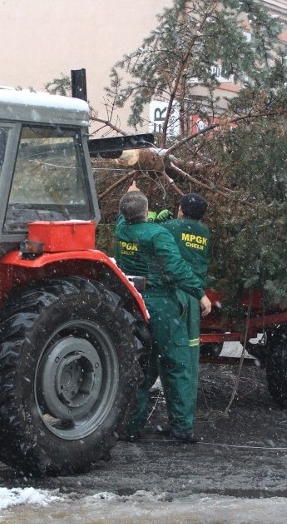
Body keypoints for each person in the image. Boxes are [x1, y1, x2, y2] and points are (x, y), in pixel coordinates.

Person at [115, 185, 212, 443]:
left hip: (133, 304)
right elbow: (176, 267)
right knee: (177, 364)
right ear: (147, 211)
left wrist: (131, 194)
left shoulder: (121, 230)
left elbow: (122, 216)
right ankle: (181, 427)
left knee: (140, 366)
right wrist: (199, 292)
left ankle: (130, 427)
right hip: (161, 305)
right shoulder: (158, 235)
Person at [159, 192, 211, 425]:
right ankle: (183, 421)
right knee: (189, 358)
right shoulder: (204, 232)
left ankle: (177, 421)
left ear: (180, 209)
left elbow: (149, 230)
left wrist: (157, 217)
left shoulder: (169, 227)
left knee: (170, 355)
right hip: (194, 297)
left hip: (175, 295)